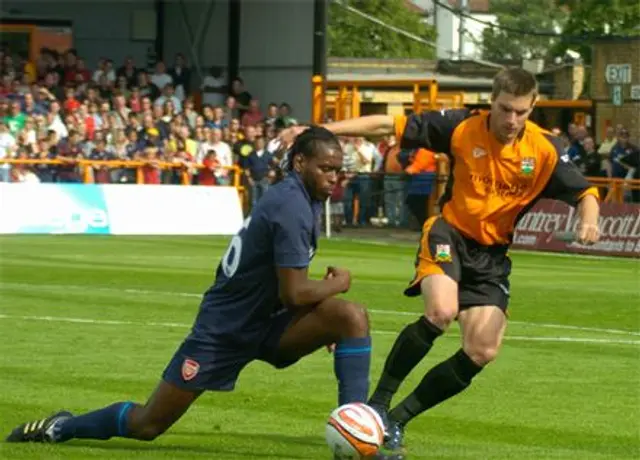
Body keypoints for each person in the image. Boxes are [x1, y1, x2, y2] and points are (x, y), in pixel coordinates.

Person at [280, 68, 601, 459]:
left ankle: (396, 419)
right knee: (441, 310)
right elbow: (386, 124)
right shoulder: (461, 127)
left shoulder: (545, 151)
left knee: (483, 350)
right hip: (448, 234)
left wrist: (589, 221)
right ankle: (377, 405)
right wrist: (317, 128)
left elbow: (585, 192)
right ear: (492, 102)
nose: (511, 120)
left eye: (520, 111)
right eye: (504, 110)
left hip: (492, 258)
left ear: (532, 107)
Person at [5, 127, 373, 447]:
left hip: (266, 322)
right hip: (224, 330)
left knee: (350, 319)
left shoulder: (302, 199)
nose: (333, 178)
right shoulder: (291, 205)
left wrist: (320, 317)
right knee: (148, 424)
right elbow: (294, 293)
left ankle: (357, 434)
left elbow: (283, 290)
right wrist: (337, 284)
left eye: (338, 171)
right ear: (299, 164)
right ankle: (61, 426)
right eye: (325, 168)